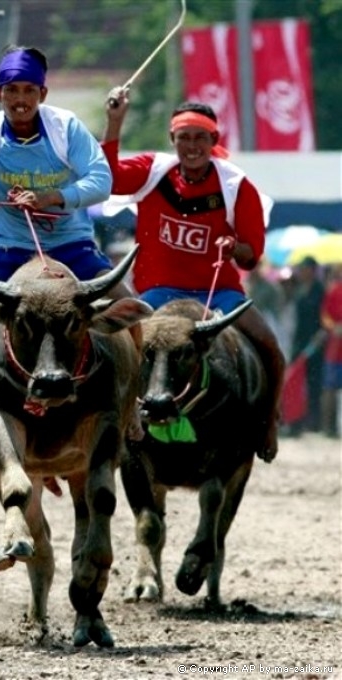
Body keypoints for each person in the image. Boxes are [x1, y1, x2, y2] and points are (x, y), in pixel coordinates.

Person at [0, 45, 123, 448]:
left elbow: (101, 181)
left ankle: (131, 413)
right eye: (12, 90)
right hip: (10, 252)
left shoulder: (66, 128)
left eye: (29, 90)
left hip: (71, 247)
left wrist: (52, 198)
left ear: (43, 95)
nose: (20, 99)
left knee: (130, 310)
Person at [102, 92, 286, 462]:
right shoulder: (154, 172)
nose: (191, 146)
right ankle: (115, 423)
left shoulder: (236, 185)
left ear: (213, 142)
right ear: (173, 141)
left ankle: (267, 423)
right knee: (113, 344)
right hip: (158, 292)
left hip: (218, 294)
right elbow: (106, 180)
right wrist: (115, 122)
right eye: (184, 137)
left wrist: (233, 245)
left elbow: (252, 256)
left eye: (200, 138)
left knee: (270, 347)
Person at [288, 256, 326, 436]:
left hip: (316, 343)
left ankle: (313, 421)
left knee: (313, 383)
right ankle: (296, 420)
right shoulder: (300, 290)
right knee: (296, 381)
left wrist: (319, 338)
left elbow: (325, 318)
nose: (301, 272)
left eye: (304, 269)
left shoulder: (320, 291)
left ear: (311, 270)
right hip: (299, 342)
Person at [319, 264, 342, 438]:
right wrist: (334, 327)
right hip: (335, 349)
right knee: (329, 389)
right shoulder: (334, 291)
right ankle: (328, 428)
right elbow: (324, 316)